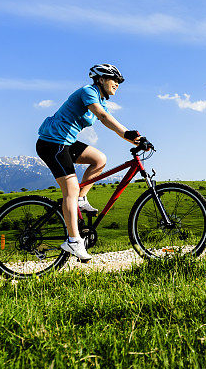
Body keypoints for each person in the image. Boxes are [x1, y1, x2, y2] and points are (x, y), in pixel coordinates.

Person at [35, 64, 141, 261]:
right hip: (52, 143)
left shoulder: (100, 99)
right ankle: (73, 240)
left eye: (118, 81)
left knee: (99, 159)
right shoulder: (88, 91)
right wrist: (127, 134)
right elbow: (102, 115)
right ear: (100, 79)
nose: (117, 84)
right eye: (113, 79)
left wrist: (134, 139)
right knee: (70, 189)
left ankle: (81, 200)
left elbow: (107, 119)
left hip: (65, 143)